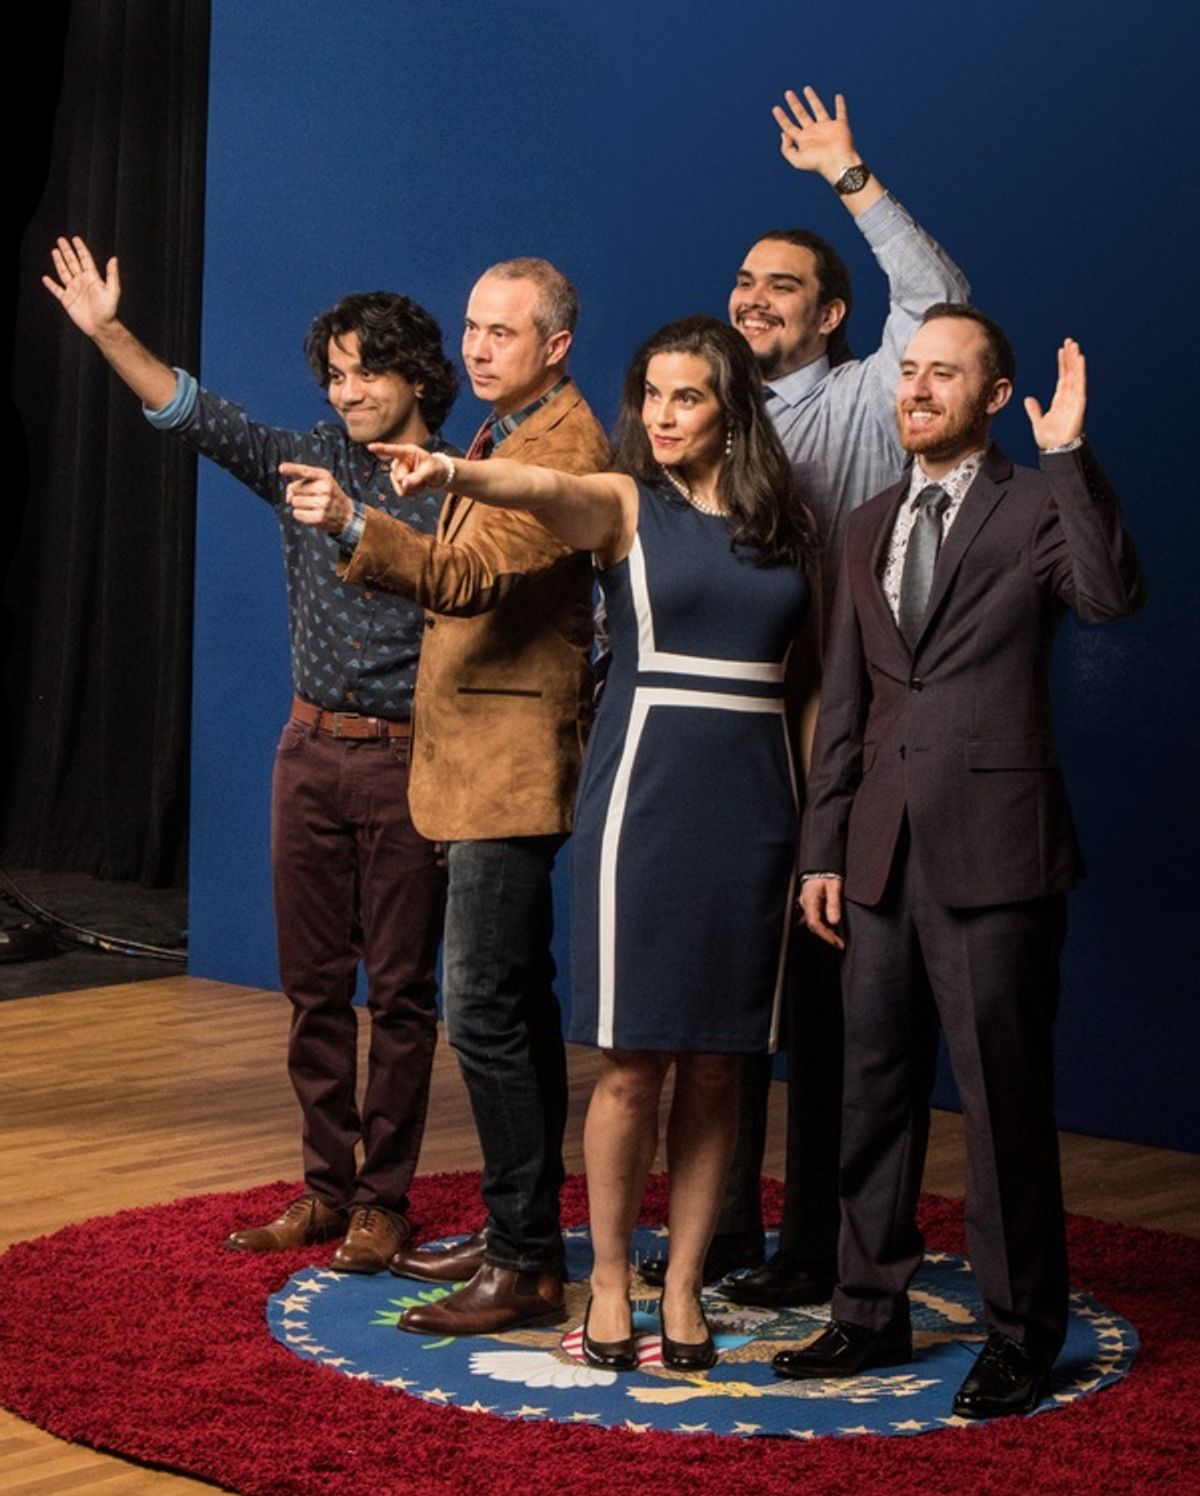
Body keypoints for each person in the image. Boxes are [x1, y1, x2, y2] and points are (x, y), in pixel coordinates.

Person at [347, 315, 818, 1370]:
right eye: (650, 394)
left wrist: (816, 823)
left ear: (732, 406)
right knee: (635, 1063)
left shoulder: (789, 523)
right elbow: (543, 493)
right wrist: (450, 473)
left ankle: (684, 1283)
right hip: (643, 793)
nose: (660, 415)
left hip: (756, 806)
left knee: (720, 1065)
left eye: (686, 396)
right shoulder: (622, 501)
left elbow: (815, 688)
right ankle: (607, 1278)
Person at [43, 236, 457, 1272]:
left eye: (368, 370)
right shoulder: (303, 456)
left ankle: (384, 1201)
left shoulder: (463, 485)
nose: (348, 388)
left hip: (414, 761)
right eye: (336, 370)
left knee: (399, 993)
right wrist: (106, 331)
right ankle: (327, 1190)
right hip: (309, 750)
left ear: (416, 376)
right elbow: (195, 414)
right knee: (314, 987)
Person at [774, 306, 1145, 1418]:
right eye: (911, 372)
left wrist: (1070, 452)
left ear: (993, 395)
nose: (919, 389)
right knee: (868, 1095)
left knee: (1001, 1103)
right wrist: (822, 849)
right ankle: (865, 1310)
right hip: (878, 852)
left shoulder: (1034, 501)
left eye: (946, 373)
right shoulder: (866, 521)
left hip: (998, 856)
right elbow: (847, 697)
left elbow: (1109, 594)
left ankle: (1025, 1333)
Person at [677, 83, 974, 1310]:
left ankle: (818, 1243)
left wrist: (850, 180)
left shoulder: (857, 399)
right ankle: (731, 1232)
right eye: (745, 282)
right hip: (716, 733)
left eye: (783, 286)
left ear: (833, 314)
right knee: (725, 1001)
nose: (754, 299)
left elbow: (944, 305)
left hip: (822, 727)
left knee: (828, 1004)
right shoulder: (697, 407)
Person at [283, 258, 609, 1334]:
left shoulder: (561, 447)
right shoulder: (504, 432)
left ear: (555, 345)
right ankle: (524, 1232)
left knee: (481, 1008)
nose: (476, 348)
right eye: (471, 326)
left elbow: (467, 581)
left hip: (509, 772)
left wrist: (351, 528)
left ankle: (521, 1263)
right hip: (473, 766)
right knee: (513, 1002)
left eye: (500, 332)